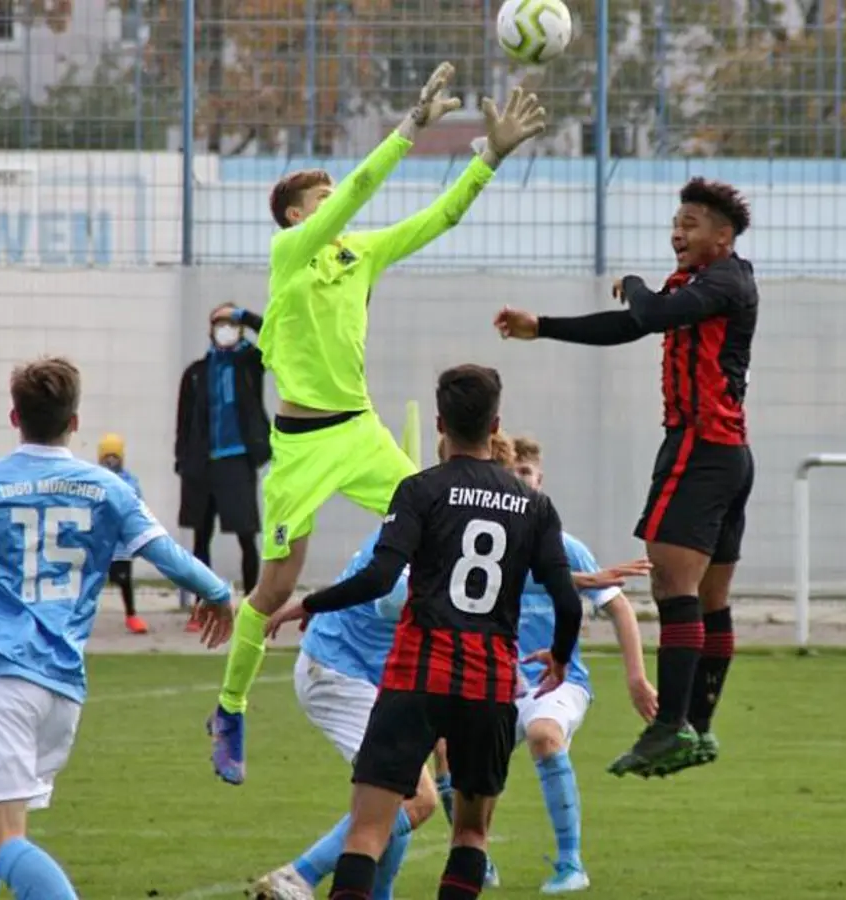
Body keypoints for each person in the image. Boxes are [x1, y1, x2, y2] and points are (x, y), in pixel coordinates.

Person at [208, 67, 550, 786]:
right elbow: (359, 190)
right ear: (296, 217)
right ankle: (230, 708)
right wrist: (409, 128)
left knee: (446, 521)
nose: (335, 202)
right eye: (321, 198)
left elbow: (439, 218)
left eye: (332, 193)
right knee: (274, 588)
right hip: (302, 447)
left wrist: (490, 157)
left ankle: (440, 675)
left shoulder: (359, 256)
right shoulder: (288, 254)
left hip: (359, 432)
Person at [265, 365, 641, 900]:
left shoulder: (419, 491)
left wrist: (309, 603)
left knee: (368, 830)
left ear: (440, 424)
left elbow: (378, 578)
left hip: (416, 677)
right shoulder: (534, 506)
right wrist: (560, 657)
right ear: (496, 424)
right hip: (486, 686)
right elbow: (565, 599)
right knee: (470, 834)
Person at [0, 356, 235, 900]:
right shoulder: (107, 488)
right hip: (63, 689)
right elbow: (167, 554)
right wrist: (218, 593)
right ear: (74, 422)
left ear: (14, 417)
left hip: (4, 681)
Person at [493, 178, 757, 777]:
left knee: (672, 585)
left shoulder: (725, 280)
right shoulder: (702, 286)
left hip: (699, 449)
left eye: (690, 223)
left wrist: (634, 283)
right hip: (725, 453)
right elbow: (633, 324)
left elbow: (649, 311)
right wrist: (544, 326)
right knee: (709, 597)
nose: (677, 232)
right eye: (676, 222)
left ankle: (670, 726)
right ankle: (696, 728)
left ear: (723, 235)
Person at [251, 432, 517, 900]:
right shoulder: (434, 520)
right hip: (339, 670)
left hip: (374, 674)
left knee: (393, 793)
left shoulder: (444, 518)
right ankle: (297, 876)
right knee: (415, 798)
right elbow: (390, 596)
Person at [432, 435, 657, 893]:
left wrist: (636, 677)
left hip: (557, 681)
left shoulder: (565, 545)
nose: (518, 482)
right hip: (494, 679)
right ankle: (474, 857)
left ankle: (571, 864)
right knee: (450, 754)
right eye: (510, 474)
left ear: (540, 480)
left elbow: (618, 608)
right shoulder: (483, 542)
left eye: (525, 474)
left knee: (543, 734)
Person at [175, 303, 269, 620]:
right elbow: (184, 422)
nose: (225, 328)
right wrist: (182, 460)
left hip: (237, 460)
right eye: (219, 323)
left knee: (246, 535)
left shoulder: (250, 363)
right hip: (202, 464)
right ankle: (204, 604)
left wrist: (245, 316)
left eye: (231, 322)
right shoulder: (196, 373)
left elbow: (274, 335)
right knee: (201, 536)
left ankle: (252, 605)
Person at [98, 432, 148, 634]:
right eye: (107, 457)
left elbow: (138, 508)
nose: (111, 461)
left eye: (115, 457)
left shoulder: (130, 482)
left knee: (124, 580)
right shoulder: (94, 479)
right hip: (99, 543)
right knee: (90, 582)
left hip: (121, 546)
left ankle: (131, 615)